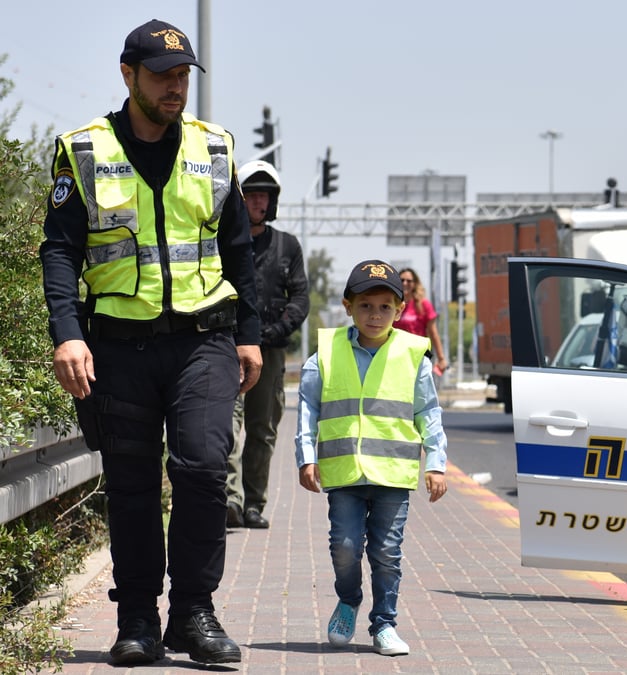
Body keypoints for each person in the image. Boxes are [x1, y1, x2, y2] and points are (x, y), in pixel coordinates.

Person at [39, 19, 261, 666]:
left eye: (184, 76)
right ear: (127, 74)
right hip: (118, 346)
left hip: (204, 341)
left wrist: (250, 337)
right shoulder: (83, 151)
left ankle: (193, 612)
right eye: (163, 76)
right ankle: (137, 616)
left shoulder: (214, 147)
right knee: (131, 484)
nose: (176, 88)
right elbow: (59, 251)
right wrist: (66, 335)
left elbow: (238, 250)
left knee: (201, 467)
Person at [296, 260, 448, 656]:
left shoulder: (415, 356)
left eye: (385, 306)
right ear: (348, 307)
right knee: (344, 546)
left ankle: (384, 625)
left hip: (393, 475)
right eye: (366, 305)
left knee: (386, 552)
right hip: (344, 472)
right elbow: (307, 410)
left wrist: (435, 462)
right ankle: (349, 599)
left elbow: (428, 413)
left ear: (400, 310)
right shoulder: (325, 354)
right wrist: (306, 456)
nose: (375, 315)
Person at [226, 160, 309, 530]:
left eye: (265, 196)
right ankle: (228, 500)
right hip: (226, 349)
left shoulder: (288, 246)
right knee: (225, 427)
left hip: (271, 354)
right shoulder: (222, 241)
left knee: (263, 428)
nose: (259, 202)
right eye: (252, 195)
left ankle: (254, 504)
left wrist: (275, 331)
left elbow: (301, 298)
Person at [392, 268, 449, 375]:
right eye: (402, 280)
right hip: (396, 355)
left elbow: (434, 333)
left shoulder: (424, 305)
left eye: (409, 281)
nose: (405, 283)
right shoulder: (392, 305)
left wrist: (441, 358)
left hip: (418, 355)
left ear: (415, 283)